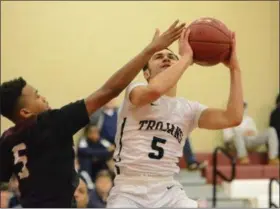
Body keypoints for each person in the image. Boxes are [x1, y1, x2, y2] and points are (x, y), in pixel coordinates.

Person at [0, 19, 185, 207]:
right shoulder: (52, 122)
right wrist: (149, 50)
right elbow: (109, 90)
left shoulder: (7, 139)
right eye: (37, 96)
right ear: (25, 111)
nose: (44, 98)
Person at [107, 27, 244, 208]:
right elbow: (154, 90)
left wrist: (235, 69)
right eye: (158, 56)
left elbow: (232, 117)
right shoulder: (136, 89)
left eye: (172, 57)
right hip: (129, 189)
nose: (166, 58)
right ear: (146, 73)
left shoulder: (188, 109)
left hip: (168, 189)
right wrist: (186, 58)